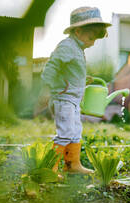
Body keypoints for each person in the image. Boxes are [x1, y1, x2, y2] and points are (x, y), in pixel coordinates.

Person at [40, 6, 111, 174]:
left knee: (75, 132)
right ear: (78, 31)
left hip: (72, 100)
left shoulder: (77, 48)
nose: (93, 42)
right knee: (65, 132)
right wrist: (45, 90)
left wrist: (81, 79)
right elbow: (52, 67)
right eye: (91, 37)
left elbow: (68, 71)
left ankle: (72, 164)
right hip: (63, 99)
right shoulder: (67, 46)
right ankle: (51, 168)